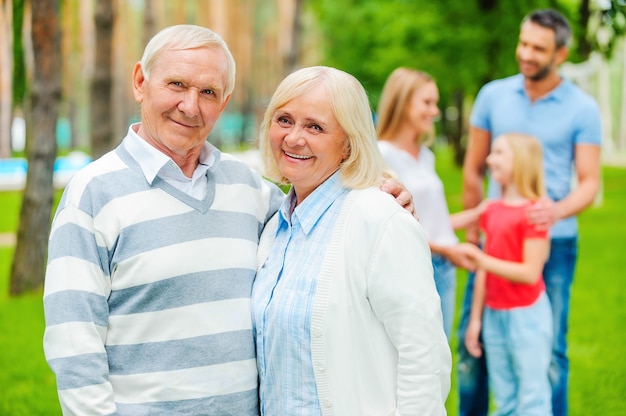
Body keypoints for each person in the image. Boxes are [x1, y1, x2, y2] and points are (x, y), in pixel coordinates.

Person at [42, 25, 413, 415]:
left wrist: (382, 188)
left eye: (208, 92)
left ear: (224, 102)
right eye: (177, 84)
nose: (190, 105)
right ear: (140, 82)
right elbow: (74, 343)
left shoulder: (250, 189)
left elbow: (321, 205)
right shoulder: (93, 193)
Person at [252, 66, 451, 415]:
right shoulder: (274, 226)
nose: (294, 137)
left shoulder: (380, 220)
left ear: (348, 142)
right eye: (284, 120)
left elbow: (425, 357)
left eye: (315, 126)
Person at [459, 9, 602, 416]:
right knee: (477, 342)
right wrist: (474, 232)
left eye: (538, 48)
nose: (526, 54)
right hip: (495, 238)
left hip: (552, 243)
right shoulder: (492, 95)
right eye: (523, 44)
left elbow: (589, 182)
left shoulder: (582, 108)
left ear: (561, 53)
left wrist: (553, 212)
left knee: (551, 349)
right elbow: (473, 168)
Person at [376, 67, 478, 340]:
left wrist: (479, 214)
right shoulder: (381, 156)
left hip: (444, 265)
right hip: (415, 266)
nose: (435, 111)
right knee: (416, 353)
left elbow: (433, 223)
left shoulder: (426, 156)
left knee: (440, 354)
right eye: (427, 102)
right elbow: (392, 228)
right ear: (403, 102)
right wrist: (448, 250)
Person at [460, 133, 552, 415]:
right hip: (494, 314)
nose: (489, 159)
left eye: (499, 153)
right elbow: (483, 275)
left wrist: (481, 259)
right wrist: (476, 319)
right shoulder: (492, 210)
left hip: (527, 318)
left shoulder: (535, 213)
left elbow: (529, 273)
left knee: (532, 399)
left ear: (520, 161)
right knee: (505, 399)